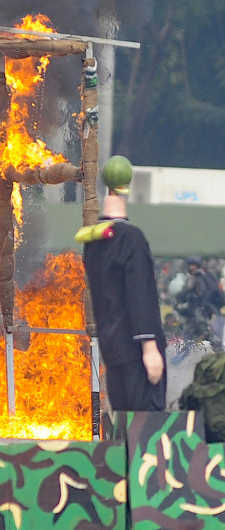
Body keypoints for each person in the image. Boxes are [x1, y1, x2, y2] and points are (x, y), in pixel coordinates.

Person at [79, 155, 167, 411]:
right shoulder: (131, 239)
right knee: (146, 429)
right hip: (136, 351)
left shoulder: (93, 242)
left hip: (112, 349)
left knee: (123, 426)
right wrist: (149, 348)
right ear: (127, 184)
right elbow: (140, 294)